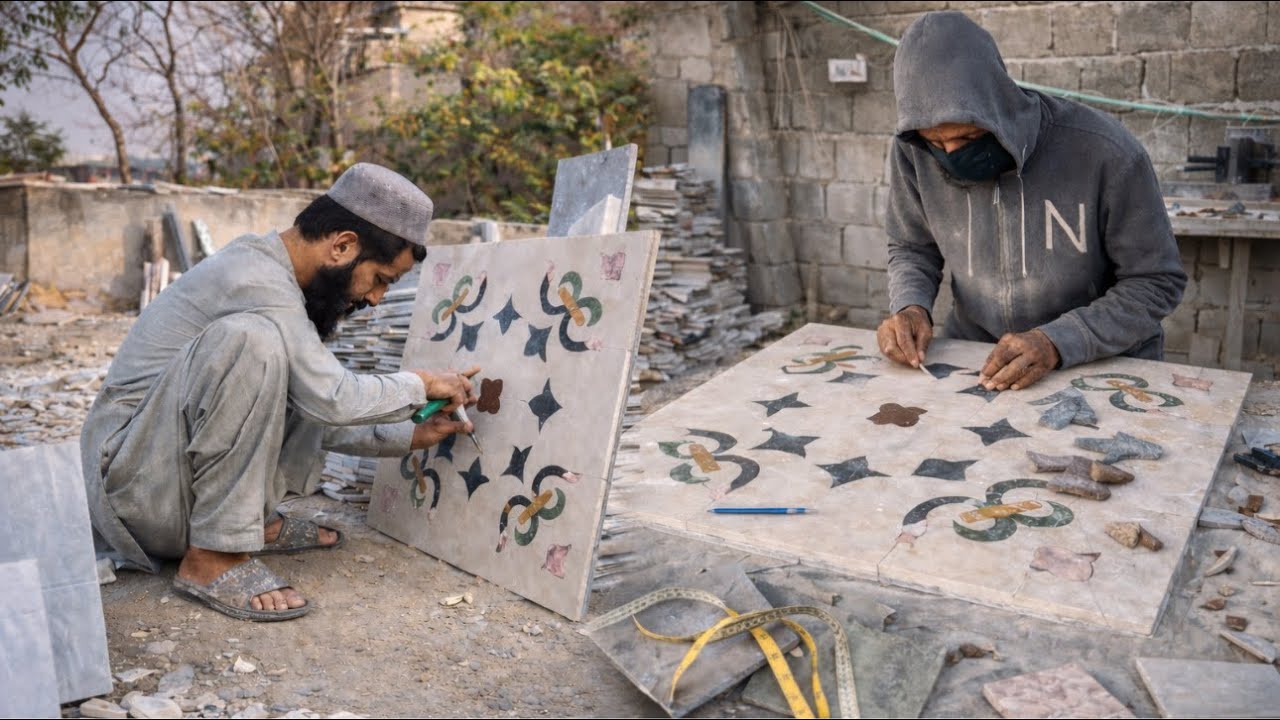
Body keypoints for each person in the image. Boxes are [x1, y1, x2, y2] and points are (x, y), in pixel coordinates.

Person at [81, 163, 478, 621]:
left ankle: (253, 523)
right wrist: (420, 384)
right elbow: (332, 398)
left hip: (163, 489)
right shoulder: (255, 279)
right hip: (134, 497)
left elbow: (314, 404)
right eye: (382, 279)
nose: (376, 300)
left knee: (294, 362)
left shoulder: (282, 285)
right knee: (254, 342)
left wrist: (409, 434)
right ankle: (214, 554)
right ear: (342, 246)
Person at [876, 11, 1187, 391]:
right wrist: (910, 305)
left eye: (968, 138)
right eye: (937, 143)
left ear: (998, 104)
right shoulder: (913, 150)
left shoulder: (1105, 152)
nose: (952, 154)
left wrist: (1058, 340)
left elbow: (1156, 281)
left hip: (1102, 362)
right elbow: (912, 245)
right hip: (982, 358)